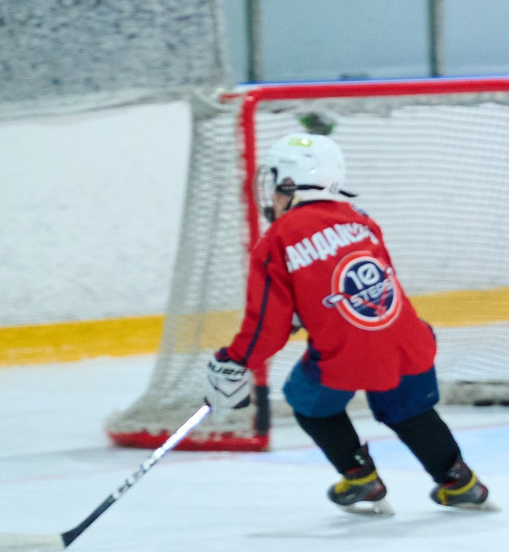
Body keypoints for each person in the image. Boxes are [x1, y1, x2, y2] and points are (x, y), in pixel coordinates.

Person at [202, 131, 490, 515]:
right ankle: (460, 482)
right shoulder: (362, 220)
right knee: (409, 410)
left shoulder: (277, 240)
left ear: (290, 182)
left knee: (306, 401)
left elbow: (265, 327)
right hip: (407, 337)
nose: (270, 195)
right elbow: (373, 280)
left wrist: (234, 361)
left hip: (345, 352)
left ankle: (360, 479)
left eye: (275, 183)